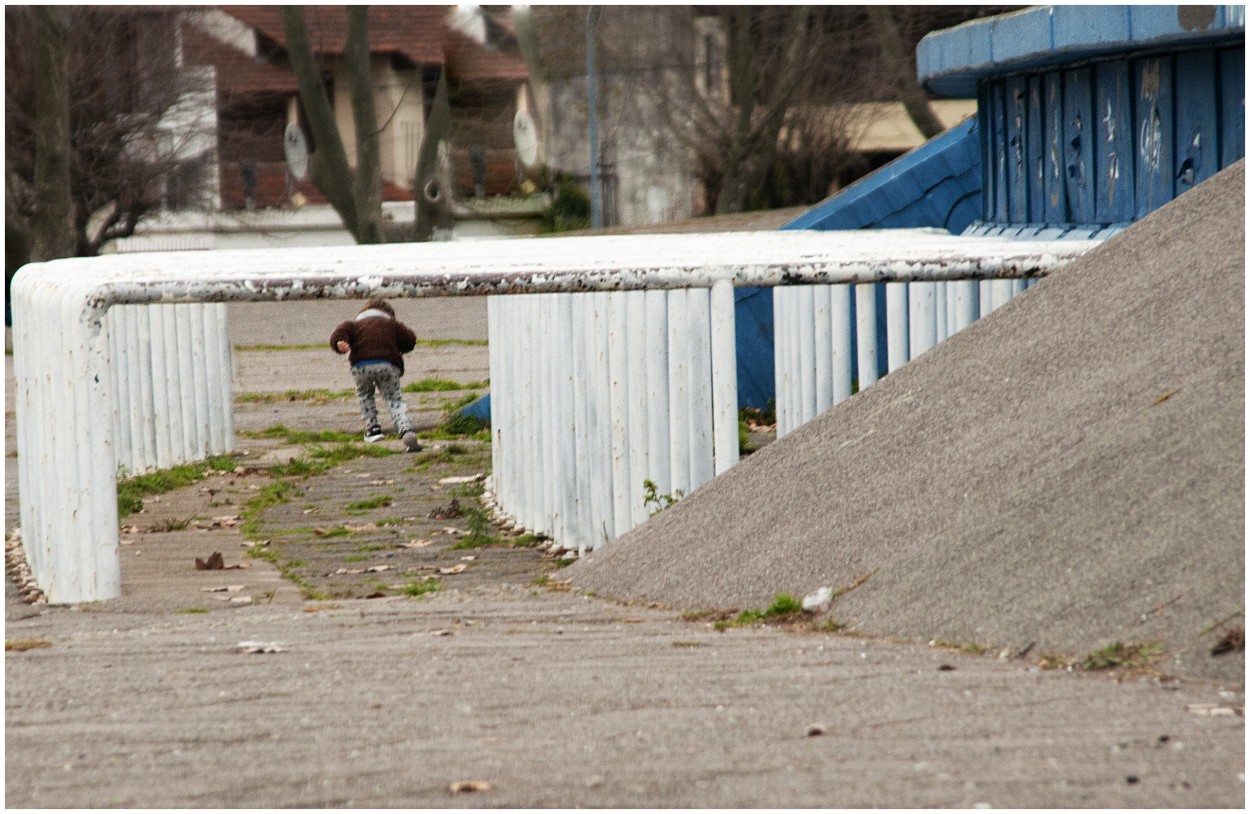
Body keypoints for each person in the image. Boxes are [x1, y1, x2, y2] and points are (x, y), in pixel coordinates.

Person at [330, 298, 422, 451]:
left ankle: (372, 429)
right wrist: (400, 348)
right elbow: (410, 340)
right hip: (387, 365)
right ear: (388, 314)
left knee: (365, 394)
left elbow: (338, 333)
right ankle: (405, 429)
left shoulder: (353, 325)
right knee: (393, 398)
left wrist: (340, 343)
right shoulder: (392, 324)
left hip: (361, 366)